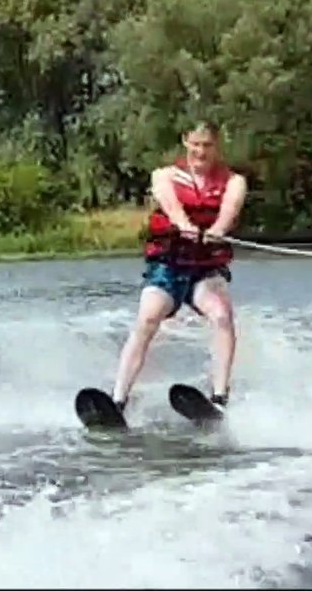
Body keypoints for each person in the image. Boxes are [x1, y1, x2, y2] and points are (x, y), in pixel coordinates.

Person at [110, 120, 248, 415]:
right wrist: (184, 225)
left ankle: (219, 399)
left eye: (207, 145)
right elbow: (170, 205)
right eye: (196, 144)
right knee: (147, 319)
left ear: (216, 145)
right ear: (186, 141)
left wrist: (218, 230)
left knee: (222, 316)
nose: (201, 151)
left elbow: (230, 210)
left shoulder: (234, 181)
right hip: (168, 265)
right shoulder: (165, 176)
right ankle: (118, 399)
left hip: (205, 270)